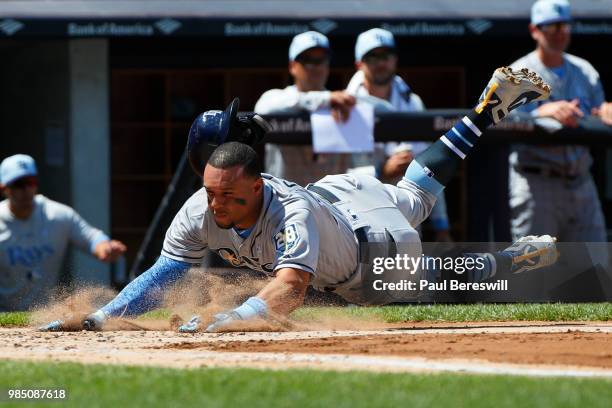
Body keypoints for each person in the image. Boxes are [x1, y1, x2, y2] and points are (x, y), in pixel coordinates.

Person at [40, 67, 558, 333]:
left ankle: (505, 260)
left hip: (372, 257)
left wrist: (225, 320)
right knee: (416, 192)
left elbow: (288, 288)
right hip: (341, 198)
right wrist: (102, 316)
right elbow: (167, 272)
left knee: (438, 286)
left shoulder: (283, 207)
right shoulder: (204, 206)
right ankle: (483, 112)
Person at [508, 0, 612, 243]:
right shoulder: (516, 73)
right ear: (535, 30)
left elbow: (598, 110)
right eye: (551, 28)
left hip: (581, 183)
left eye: (564, 27)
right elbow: (491, 121)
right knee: (533, 275)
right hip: (537, 183)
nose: (560, 34)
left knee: (593, 272)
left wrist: (604, 111)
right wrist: (539, 113)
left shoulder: (584, 70)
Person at [346, 28, 452, 241]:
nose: (381, 62)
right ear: (359, 63)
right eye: (372, 56)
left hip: (406, 214)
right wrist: (382, 171)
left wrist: (442, 226)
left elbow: (430, 168)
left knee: (408, 273)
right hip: (358, 216)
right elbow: (340, 172)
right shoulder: (346, 106)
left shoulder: (413, 102)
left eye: (386, 55)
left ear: (395, 59)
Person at [0, 154, 127, 311]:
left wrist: (104, 246)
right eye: (19, 184)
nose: (26, 190)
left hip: (46, 313)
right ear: (4, 188)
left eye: (30, 182)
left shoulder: (57, 215)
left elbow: (90, 236)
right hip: (4, 312)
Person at [254, 31, 357, 186]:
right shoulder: (279, 97)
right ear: (292, 66)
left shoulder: (342, 102)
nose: (316, 66)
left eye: (321, 60)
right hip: (285, 199)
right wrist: (324, 100)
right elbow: (263, 110)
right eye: (307, 60)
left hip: (332, 202)